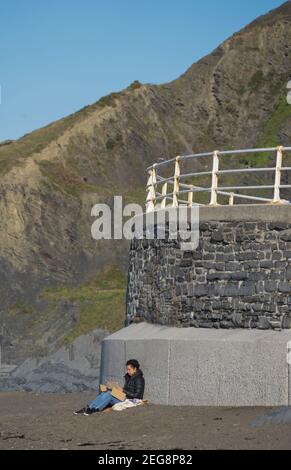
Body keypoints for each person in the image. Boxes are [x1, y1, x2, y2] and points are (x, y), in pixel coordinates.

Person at [74, 359, 145, 416]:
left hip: (130, 400)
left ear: (135, 369)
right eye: (127, 369)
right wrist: (117, 389)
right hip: (124, 397)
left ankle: (95, 409)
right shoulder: (129, 377)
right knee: (106, 391)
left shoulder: (139, 379)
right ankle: (89, 407)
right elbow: (127, 390)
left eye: (129, 369)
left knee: (110, 394)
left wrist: (123, 390)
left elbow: (137, 395)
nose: (127, 371)